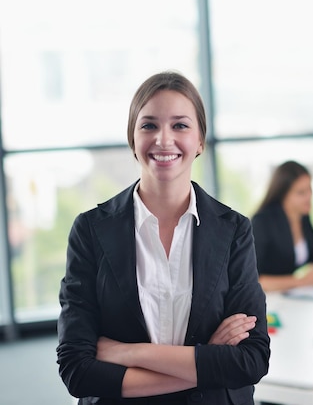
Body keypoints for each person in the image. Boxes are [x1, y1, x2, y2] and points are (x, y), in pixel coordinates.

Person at [56, 71, 270, 405]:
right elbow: (77, 370)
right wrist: (207, 359)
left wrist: (128, 353)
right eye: (149, 125)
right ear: (133, 139)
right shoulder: (90, 230)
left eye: (180, 125)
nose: (163, 140)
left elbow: (251, 360)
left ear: (200, 140)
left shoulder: (233, 231)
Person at [251, 160, 313, 293]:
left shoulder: (303, 218)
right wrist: (303, 281)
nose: (309, 197)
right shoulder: (263, 222)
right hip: (269, 300)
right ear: (283, 195)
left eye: (310, 190)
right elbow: (256, 279)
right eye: (301, 193)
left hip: (296, 297)